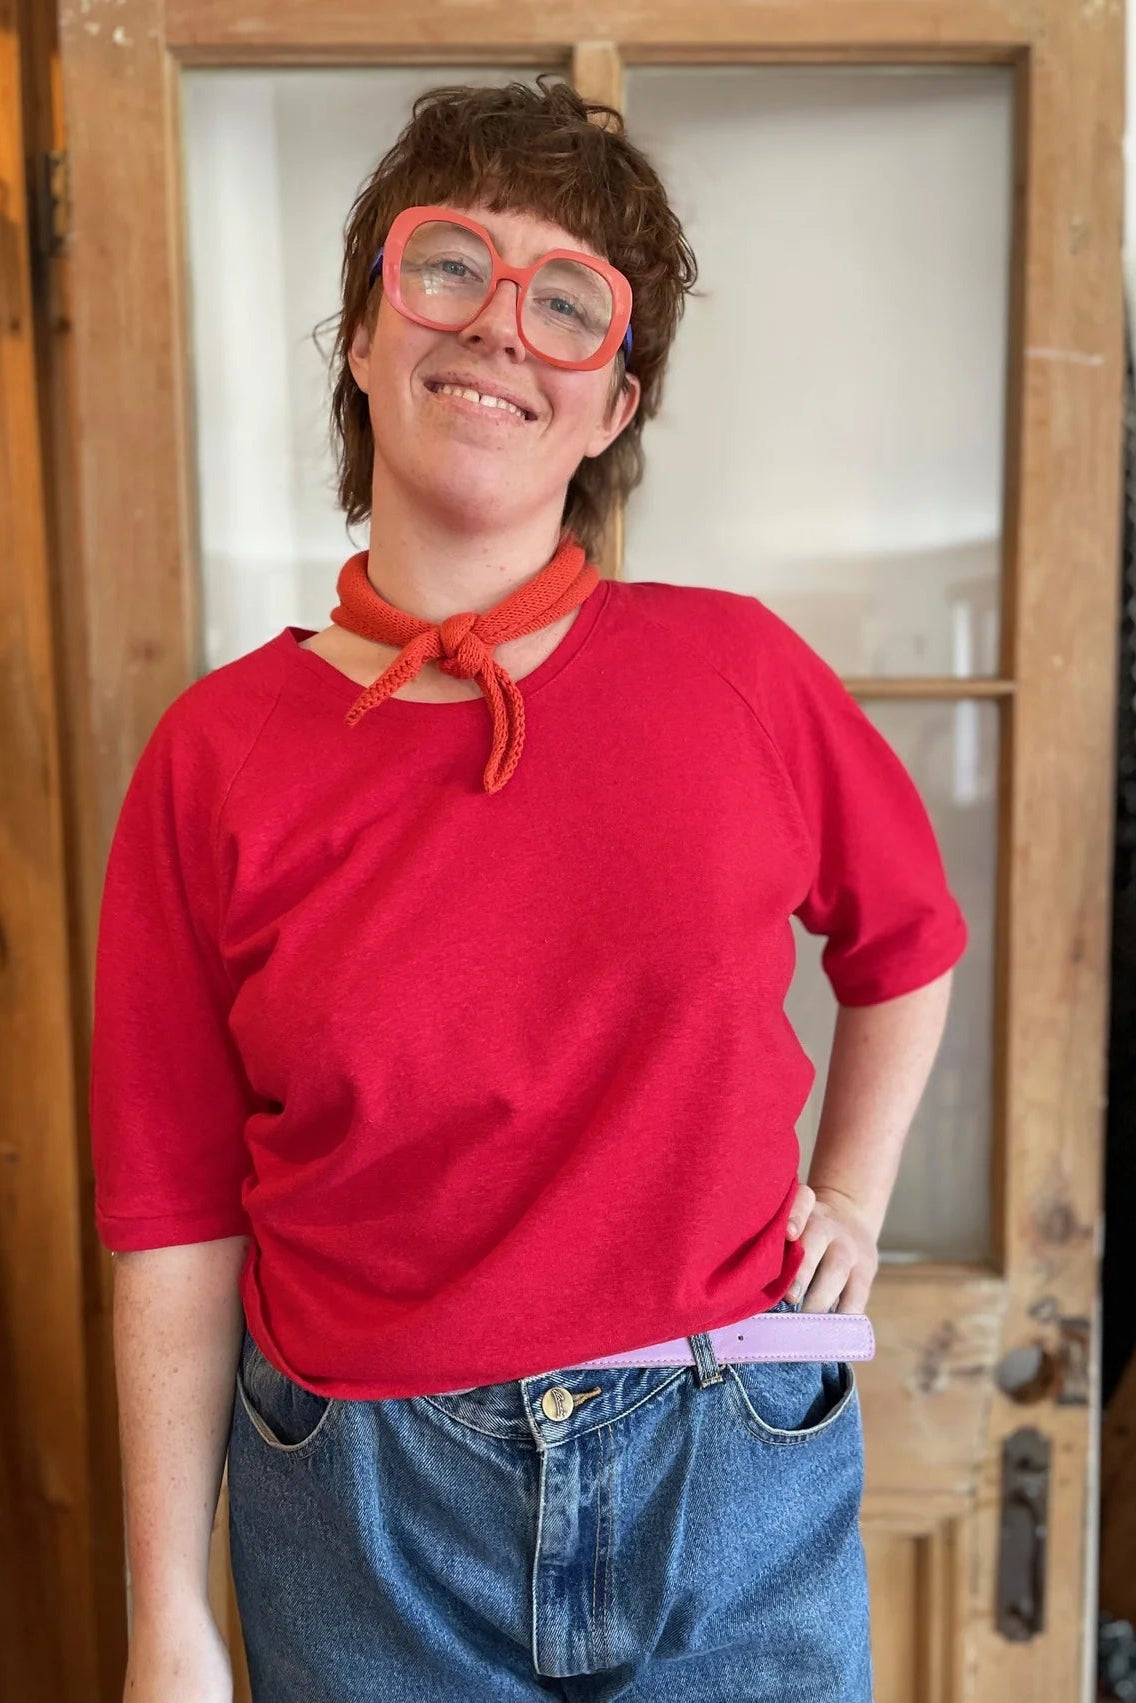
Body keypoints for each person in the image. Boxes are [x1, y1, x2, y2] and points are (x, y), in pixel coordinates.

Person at [90, 76, 967, 1703]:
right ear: (362, 335)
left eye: (568, 304)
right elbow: (169, 1216)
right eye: (447, 268)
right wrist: (167, 1613)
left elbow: (909, 941)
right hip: (359, 1513)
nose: (502, 329)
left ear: (614, 404)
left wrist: (847, 1194)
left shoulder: (740, 678)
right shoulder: (213, 756)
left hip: (730, 1462)